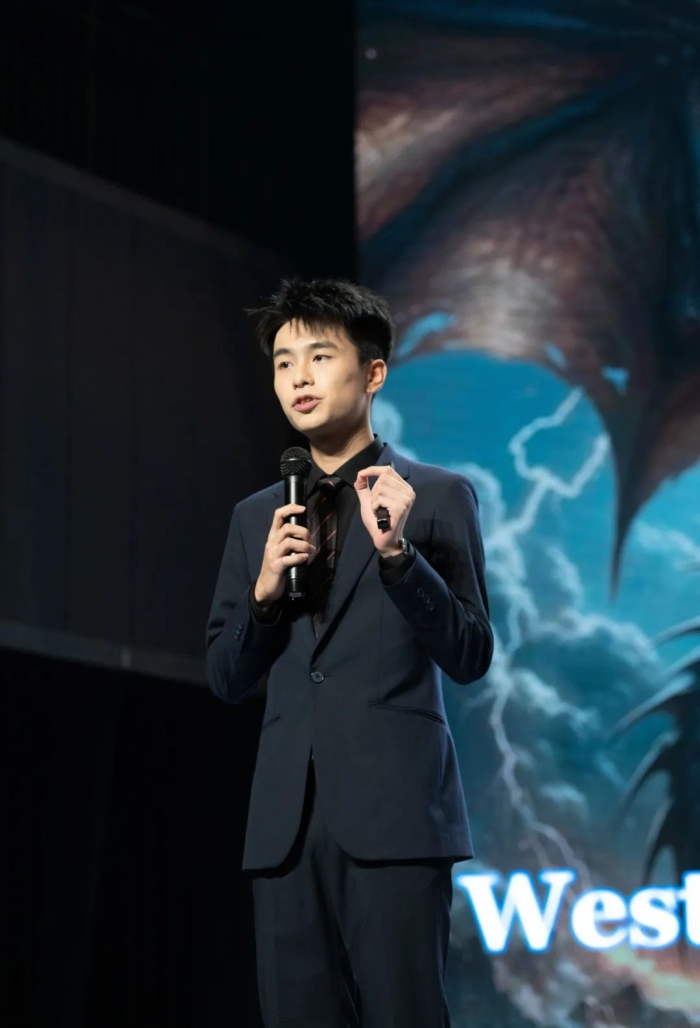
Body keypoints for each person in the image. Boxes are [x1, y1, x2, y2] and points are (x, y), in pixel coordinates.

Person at [205, 278, 493, 1028]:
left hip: (397, 819)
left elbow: (470, 652)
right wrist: (264, 596)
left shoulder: (436, 496)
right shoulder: (256, 518)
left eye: (319, 357)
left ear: (373, 373)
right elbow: (226, 677)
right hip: (285, 830)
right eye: (282, 362)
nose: (297, 378)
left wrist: (399, 555)